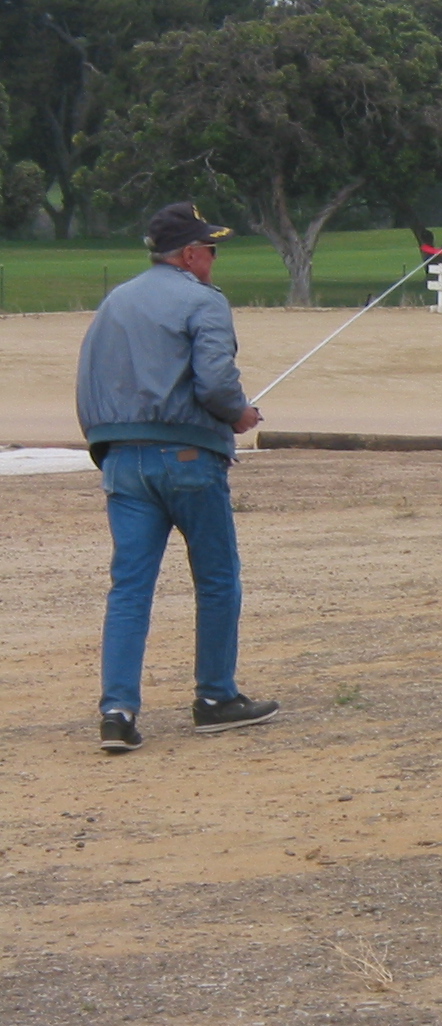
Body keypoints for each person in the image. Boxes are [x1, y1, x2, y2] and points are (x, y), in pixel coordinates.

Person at [76, 203, 279, 753]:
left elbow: (90, 379)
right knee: (216, 578)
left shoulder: (115, 301)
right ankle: (215, 697)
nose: (214, 260)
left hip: (121, 458)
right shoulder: (203, 300)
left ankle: (117, 710)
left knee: (130, 588)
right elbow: (215, 383)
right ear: (189, 255)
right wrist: (239, 413)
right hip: (188, 457)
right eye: (211, 250)